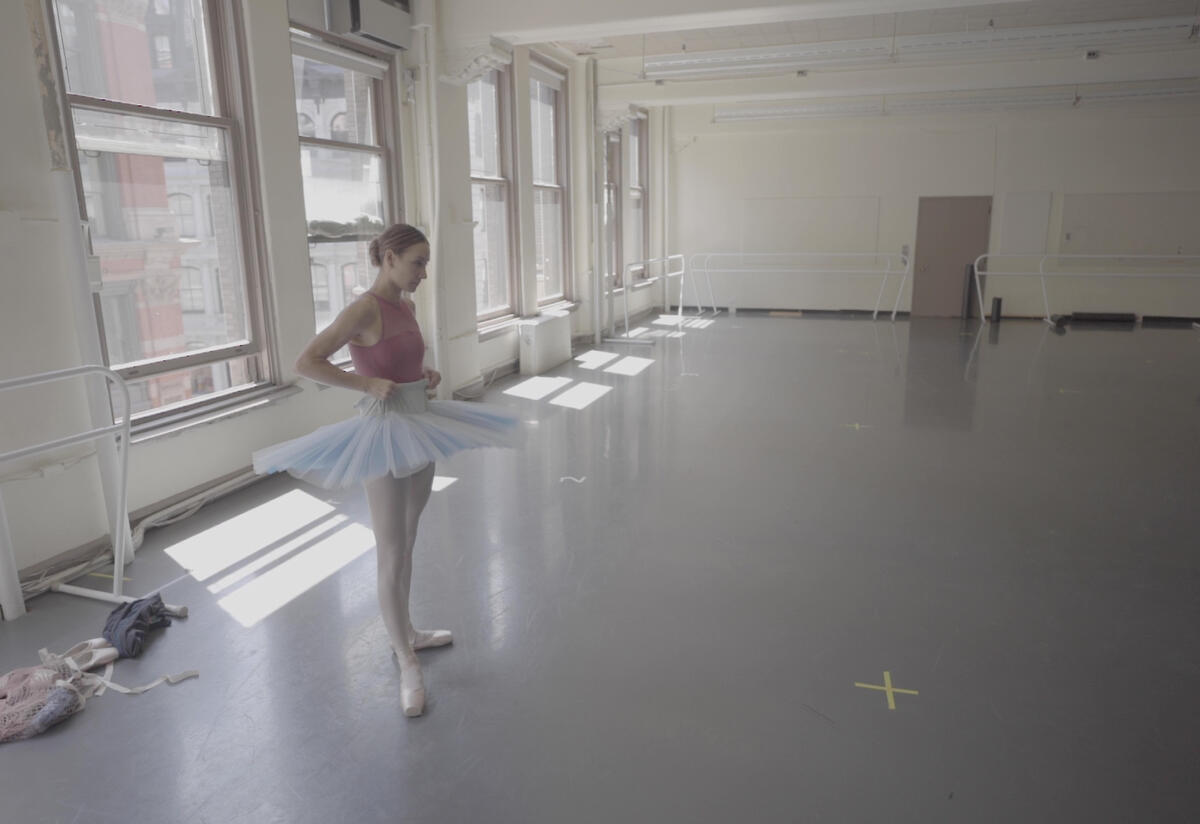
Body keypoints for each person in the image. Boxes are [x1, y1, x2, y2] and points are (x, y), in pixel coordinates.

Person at [252, 223, 519, 717]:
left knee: (409, 539)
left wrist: (426, 376)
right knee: (391, 549)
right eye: (418, 261)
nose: (424, 272)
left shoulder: (407, 307)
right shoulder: (364, 308)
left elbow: (406, 364)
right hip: (383, 434)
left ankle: (408, 630)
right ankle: (404, 657)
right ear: (390, 258)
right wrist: (365, 383)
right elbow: (306, 362)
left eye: (426, 262)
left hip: (419, 427)